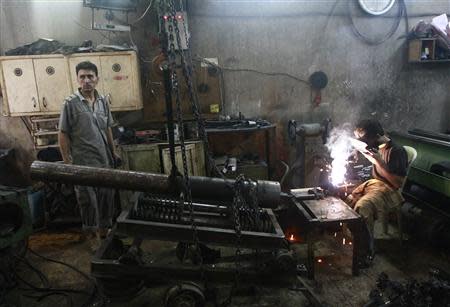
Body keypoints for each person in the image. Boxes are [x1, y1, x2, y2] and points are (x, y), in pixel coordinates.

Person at [58, 61, 120, 247]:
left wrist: (113, 151)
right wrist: (67, 160)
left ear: (97, 79)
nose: (86, 80)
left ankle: (105, 233)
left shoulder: (102, 101)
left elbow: (108, 127)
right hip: (82, 163)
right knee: (88, 202)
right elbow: (63, 133)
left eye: (90, 76)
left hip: (104, 161)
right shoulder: (70, 103)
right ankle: (93, 237)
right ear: (77, 79)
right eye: (82, 77)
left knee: (106, 199)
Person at [347, 119, 408, 266]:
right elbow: (364, 147)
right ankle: (357, 241)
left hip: (389, 190)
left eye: (364, 139)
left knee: (363, 208)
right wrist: (356, 151)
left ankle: (366, 253)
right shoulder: (376, 145)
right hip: (374, 184)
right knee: (347, 201)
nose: (362, 142)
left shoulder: (397, 151)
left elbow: (397, 183)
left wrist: (379, 161)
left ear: (376, 136)